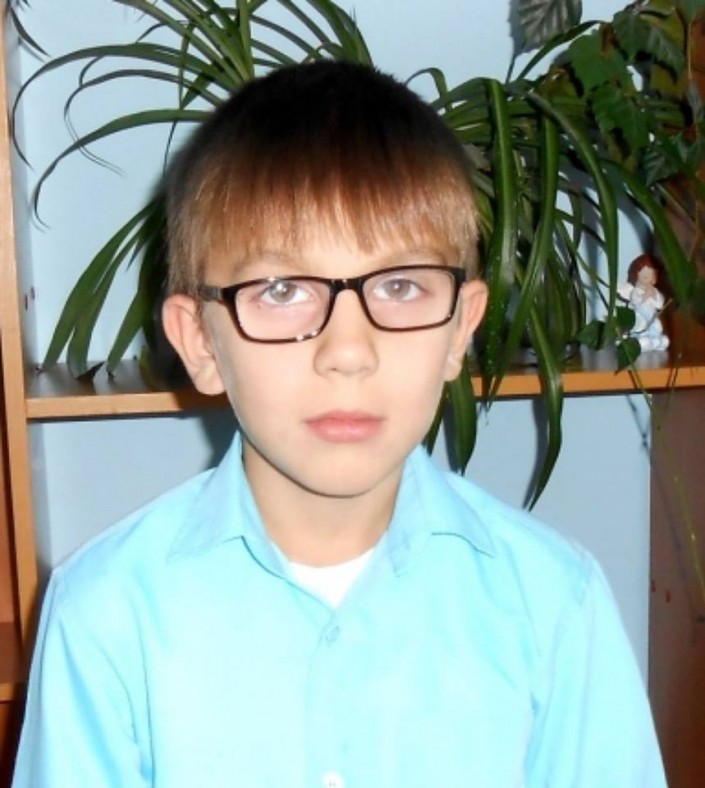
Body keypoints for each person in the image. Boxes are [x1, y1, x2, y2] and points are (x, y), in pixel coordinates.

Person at [13, 61, 666, 787]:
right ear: (200, 342)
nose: (348, 351)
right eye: (281, 289)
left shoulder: (555, 604)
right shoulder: (105, 614)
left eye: (401, 285)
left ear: (460, 328)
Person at [620, 253, 670, 352]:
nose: (649, 280)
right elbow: (636, 303)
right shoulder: (635, 291)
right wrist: (645, 296)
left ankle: (655, 341)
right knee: (642, 328)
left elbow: (660, 304)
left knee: (658, 330)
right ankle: (639, 341)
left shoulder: (654, 291)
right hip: (641, 319)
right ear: (636, 275)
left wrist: (654, 295)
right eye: (645, 277)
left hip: (652, 318)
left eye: (651, 277)